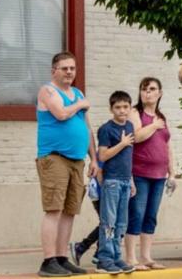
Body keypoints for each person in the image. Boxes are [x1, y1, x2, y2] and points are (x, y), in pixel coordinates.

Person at [36, 51, 95, 277]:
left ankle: (61, 258)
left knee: (70, 211)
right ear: (54, 71)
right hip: (54, 158)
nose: (70, 72)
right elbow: (60, 114)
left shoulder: (78, 93)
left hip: (77, 161)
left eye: (72, 68)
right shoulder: (48, 91)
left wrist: (94, 159)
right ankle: (48, 261)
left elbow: (88, 130)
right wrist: (80, 104)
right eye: (65, 68)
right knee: (54, 209)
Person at [124, 77, 177, 270]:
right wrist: (153, 126)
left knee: (151, 216)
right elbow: (136, 137)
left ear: (160, 93)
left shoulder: (162, 117)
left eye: (152, 89)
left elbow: (168, 145)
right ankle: (131, 258)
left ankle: (146, 257)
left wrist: (172, 172)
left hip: (159, 175)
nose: (147, 92)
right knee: (136, 214)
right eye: (144, 89)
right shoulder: (135, 113)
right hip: (139, 173)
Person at [95, 91, 137, 274]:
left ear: (130, 107)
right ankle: (104, 258)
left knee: (121, 223)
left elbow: (129, 157)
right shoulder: (106, 129)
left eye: (125, 107)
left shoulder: (130, 126)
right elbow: (102, 155)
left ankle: (116, 256)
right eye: (118, 107)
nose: (122, 111)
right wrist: (121, 143)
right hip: (111, 181)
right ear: (111, 109)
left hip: (126, 181)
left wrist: (132, 180)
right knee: (109, 222)